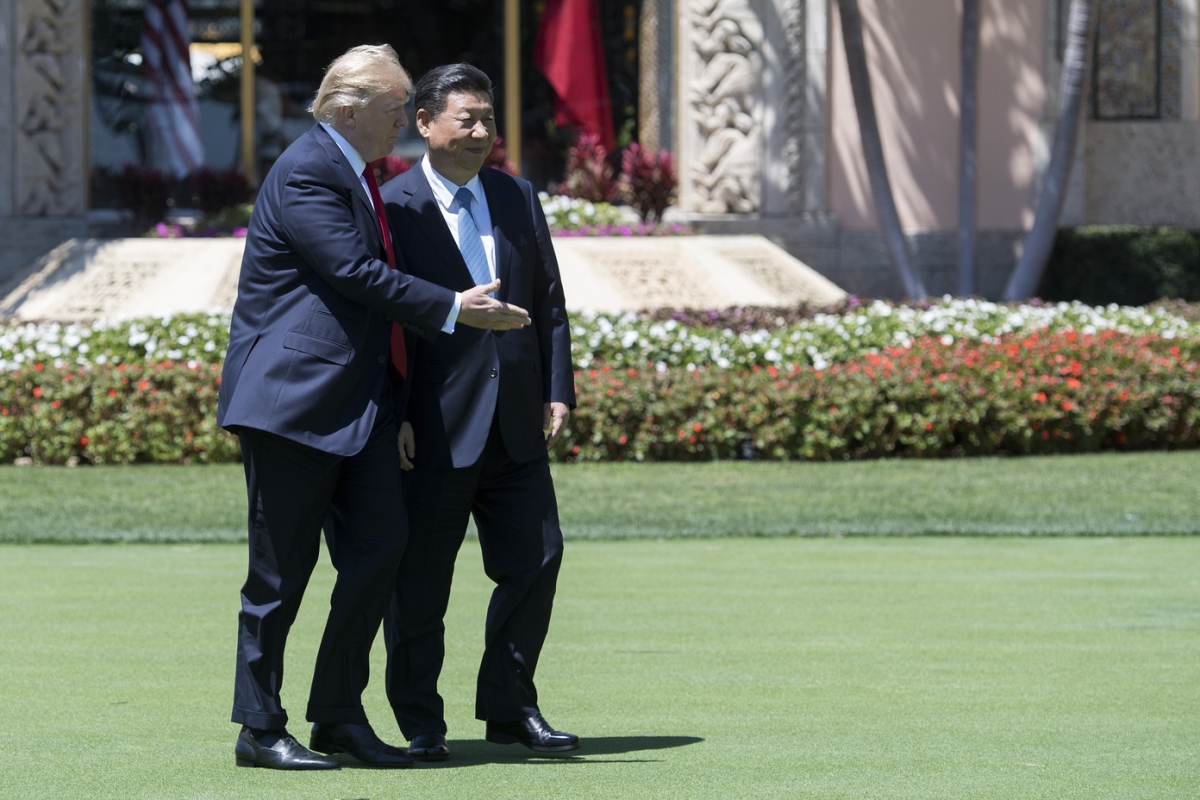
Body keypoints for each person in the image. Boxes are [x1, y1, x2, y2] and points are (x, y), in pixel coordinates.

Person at [216, 45, 530, 771]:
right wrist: (454, 307)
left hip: (360, 410)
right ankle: (259, 728)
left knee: (383, 547)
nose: (404, 127)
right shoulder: (307, 170)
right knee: (279, 574)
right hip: (291, 407)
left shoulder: (356, 173)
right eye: (396, 113)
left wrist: (399, 407)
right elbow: (355, 275)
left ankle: (336, 714)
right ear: (351, 109)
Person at [379, 63, 577, 761]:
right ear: (425, 123)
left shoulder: (517, 195)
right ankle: (418, 722)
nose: (481, 132)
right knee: (421, 584)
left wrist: (558, 388)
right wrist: (395, 410)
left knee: (538, 559)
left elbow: (548, 300)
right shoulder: (391, 204)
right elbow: (381, 317)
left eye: (488, 120)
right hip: (430, 426)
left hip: (517, 421)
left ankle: (508, 706)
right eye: (466, 119)